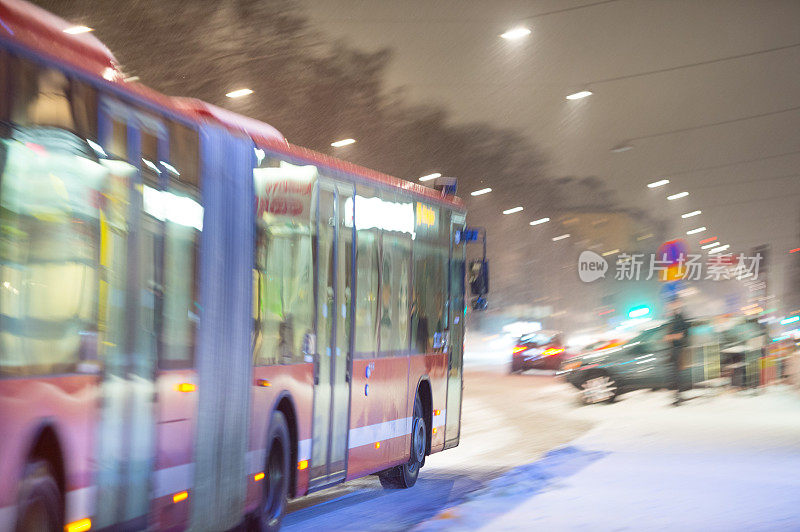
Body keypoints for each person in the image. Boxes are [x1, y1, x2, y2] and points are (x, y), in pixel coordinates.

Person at [664, 298, 690, 406]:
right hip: (674, 349)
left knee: (678, 375)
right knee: (674, 375)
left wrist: (671, 337)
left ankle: (679, 398)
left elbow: (684, 334)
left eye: (672, 304)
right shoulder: (673, 317)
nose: (670, 306)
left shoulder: (681, 317)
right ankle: (677, 397)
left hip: (679, 349)